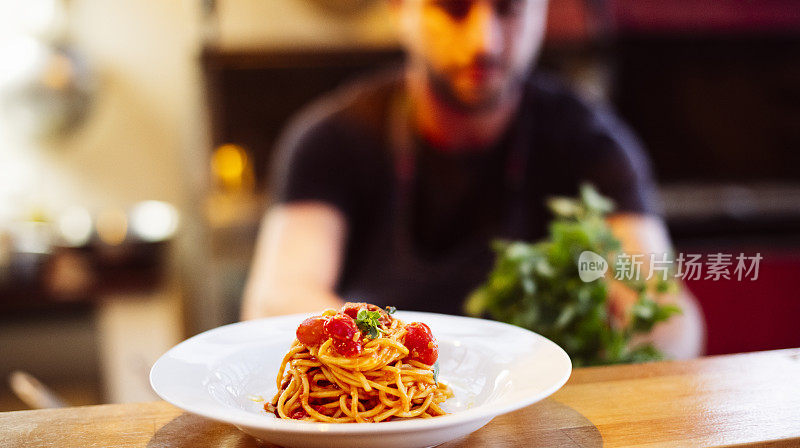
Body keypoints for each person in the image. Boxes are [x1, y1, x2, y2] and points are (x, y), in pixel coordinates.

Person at [242, 0, 704, 359]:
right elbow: (277, 299)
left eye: (509, 9)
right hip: (378, 430)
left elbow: (669, 316)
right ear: (399, 9)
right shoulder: (331, 140)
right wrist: (392, 359)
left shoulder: (590, 143)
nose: (484, 41)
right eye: (454, 8)